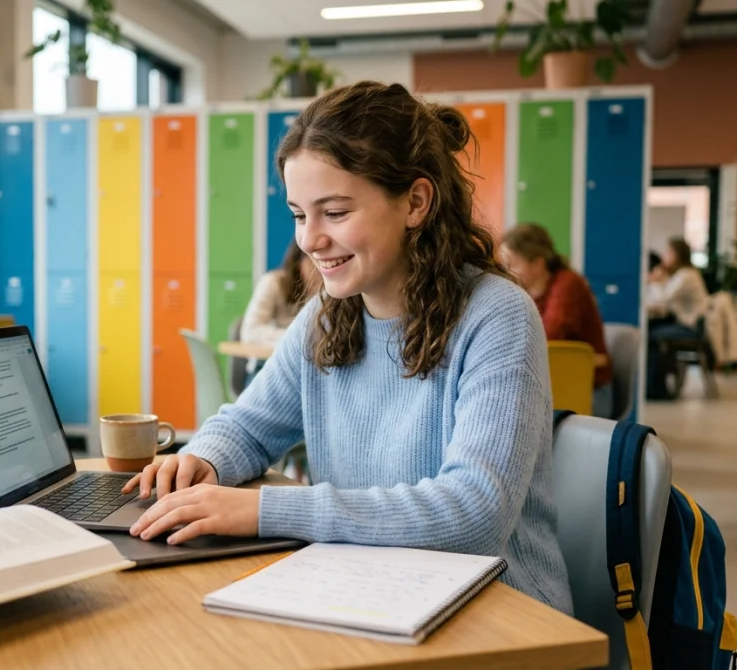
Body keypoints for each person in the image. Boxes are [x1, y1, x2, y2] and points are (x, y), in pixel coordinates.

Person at [121, 81, 573, 614]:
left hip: (502, 614)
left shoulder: (497, 316)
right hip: (373, 590)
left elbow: (474, 515)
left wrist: (265, 510)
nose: (308, 240)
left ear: (416, 202)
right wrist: (202, 461)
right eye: (298, 214)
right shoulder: (326, 317)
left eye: (334, 213)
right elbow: (247, 425)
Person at [501, 224, 613, 418]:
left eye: (513, 265)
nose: (506, 272)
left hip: (587, 392)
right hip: (554, 386)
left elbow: (550, 335)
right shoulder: (527, 292)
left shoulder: (568, 284)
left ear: (537, 263)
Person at [238, 243, 316, 381]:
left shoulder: (329, 291)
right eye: (314, 261)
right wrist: (295, 338)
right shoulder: (273, 282)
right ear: (299, 262)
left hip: (307, 369)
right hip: (267, 367)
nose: (320, 269)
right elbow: (250, 330)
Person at [646, 237, 710, 399]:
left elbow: (663, 298)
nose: (665, 256)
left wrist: (654, 281)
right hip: (683, 322)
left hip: (691, 327)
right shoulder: (680, 275)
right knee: (652, 331)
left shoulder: (687, 275)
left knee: (652, 336)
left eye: (668, 252)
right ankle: (655, 385)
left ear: (677, 255)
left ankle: (656, 388)